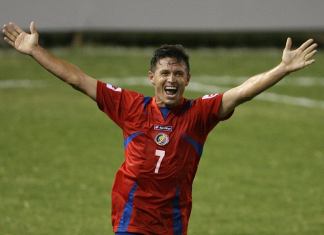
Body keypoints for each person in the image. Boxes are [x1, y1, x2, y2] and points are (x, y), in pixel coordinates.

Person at [2, 21, 317, 235]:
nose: (172, 79)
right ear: (151, 77)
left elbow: (242, 91)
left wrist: (282, 68)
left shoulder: (199, 113)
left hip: (173, 220)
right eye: (165, 72)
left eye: (179, 73)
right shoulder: (130, 106)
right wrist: (35, 51)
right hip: (131, 215)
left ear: (188, 80)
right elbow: (78, 79)